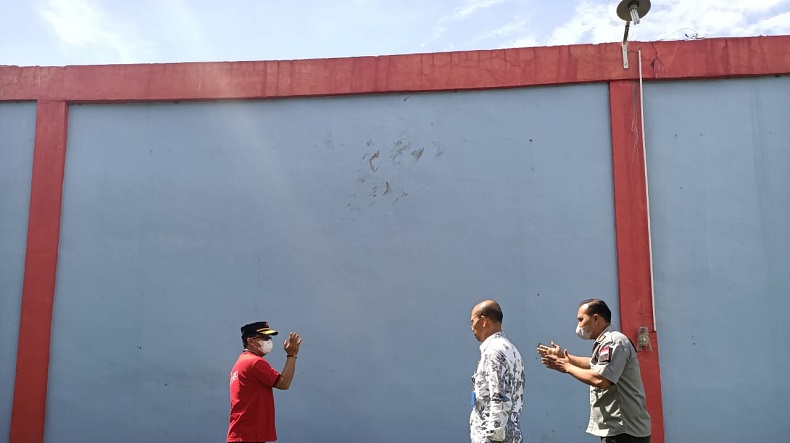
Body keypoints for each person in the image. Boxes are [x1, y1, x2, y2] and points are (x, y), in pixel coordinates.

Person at [537, 299, 651, 443]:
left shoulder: (614, 341)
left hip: (625, 431)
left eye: (581, 319)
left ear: (595, 318)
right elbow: (594, 364)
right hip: (618, 430)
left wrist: (567, 367)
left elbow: (601, 380)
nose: (579, 325)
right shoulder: (605, 342)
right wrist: (566, 358)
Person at [227, 321, 302, 443]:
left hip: (242, 434)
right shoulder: (255, 362)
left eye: (269, 337)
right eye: (264, 337)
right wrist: (292, 355)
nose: (268, 341)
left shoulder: (240, 362)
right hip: (249, 436)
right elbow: (284, 383)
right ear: (251, 341)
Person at [469, 300, 525, 443]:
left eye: (472, 321)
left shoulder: (494, 351)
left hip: (495, 438)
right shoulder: (511, 349)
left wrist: (491, 438)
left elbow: (500, 398)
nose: (471, 327)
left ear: (483, 320)